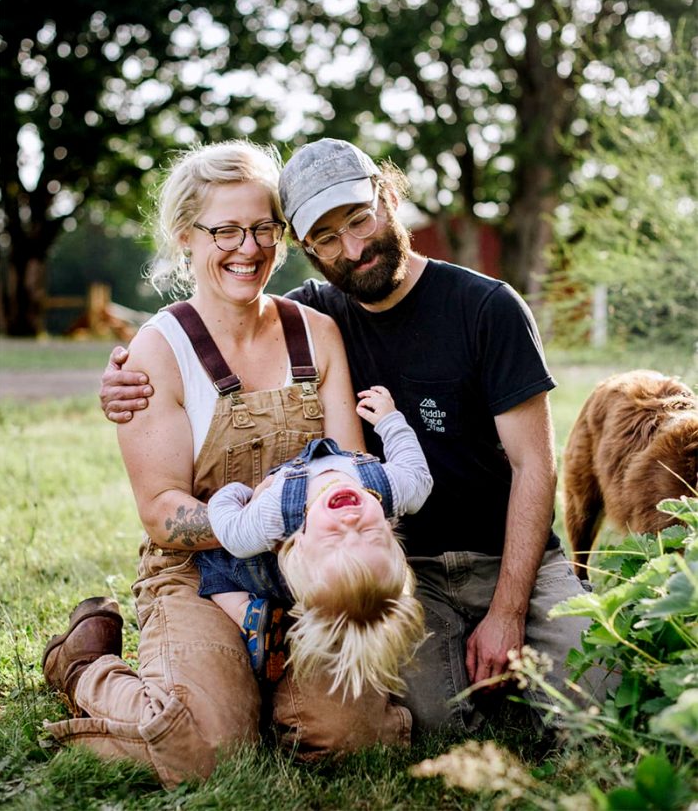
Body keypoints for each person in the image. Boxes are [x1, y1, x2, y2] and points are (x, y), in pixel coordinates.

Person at [100, 138, 613, 735]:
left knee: (593, 702)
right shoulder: (296, 321)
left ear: (388, 197)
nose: (352, 247)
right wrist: (122, 380)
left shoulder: (473, 310)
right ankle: (148, 675)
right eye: (324, 237)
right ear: (308, 247)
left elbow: (528, 468)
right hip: (343, 563)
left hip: (465, 559)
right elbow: (221, 327)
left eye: (360, 218)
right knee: (419, 723)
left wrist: (507, 610)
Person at [41, 140, 413, 790]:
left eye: (264, 228)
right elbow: (162, 513)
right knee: (206, 750)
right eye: (227, 230)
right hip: (196, 573)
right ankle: (85, 670)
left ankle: (253, 695)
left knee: (354, 736)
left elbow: (349, 465)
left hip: (312, 571)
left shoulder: (315, 333)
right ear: (187, 236)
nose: (250, 247)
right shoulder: (159, 349)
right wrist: (266, 516)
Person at [196, 384, 432, 699]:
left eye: (335, 537)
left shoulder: (272, 512)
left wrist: (244, 495)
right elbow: (417, 472)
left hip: (265, 574)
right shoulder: (393, 487)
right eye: (368, 533)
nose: (351, 523)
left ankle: (246, 614)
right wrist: (390, 420)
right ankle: (281, 620)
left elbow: (231, 533)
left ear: (301, 545)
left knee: (214, 568)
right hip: (310, 583)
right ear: (389, 531)